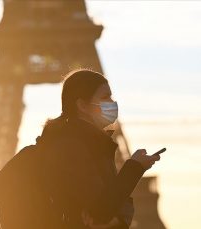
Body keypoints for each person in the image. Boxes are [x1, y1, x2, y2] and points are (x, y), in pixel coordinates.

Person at [33, 69, 161, 228]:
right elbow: (102, 210)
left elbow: (107, 209)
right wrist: (134, 167)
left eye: (111, 97)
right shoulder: (71, 148)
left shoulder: (93, 145)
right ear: (82, 105)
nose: (112, 103)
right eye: (105, 97)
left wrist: (115, 220)